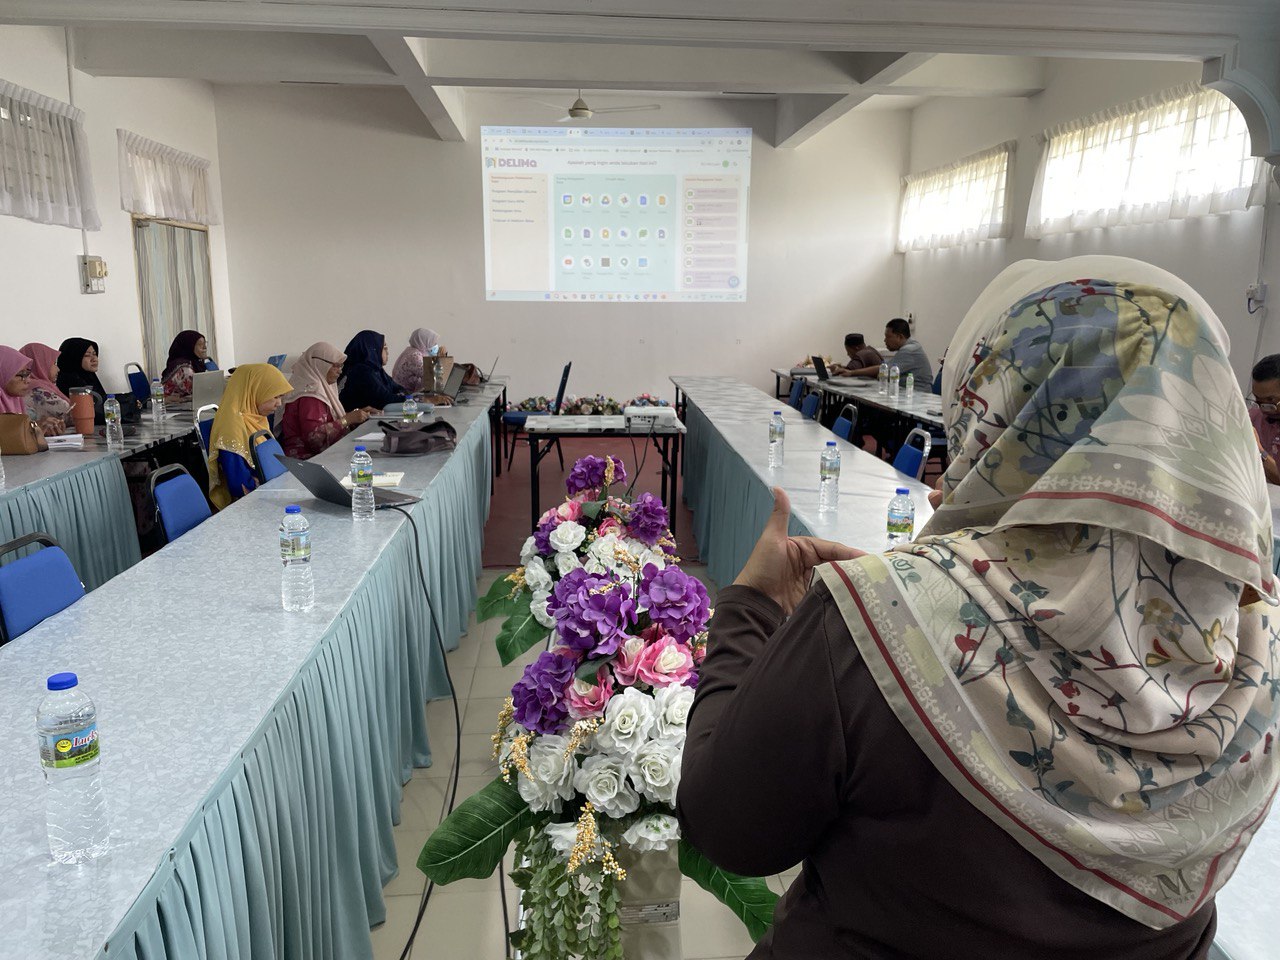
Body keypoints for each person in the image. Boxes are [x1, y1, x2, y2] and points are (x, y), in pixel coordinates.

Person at [678, 257, 1279, 959]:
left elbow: (728, 827)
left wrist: (748, 607)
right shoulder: (1258, 640)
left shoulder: (880, 615)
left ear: (1000, 404)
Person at [207, 363, 292, 509]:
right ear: (254, 391)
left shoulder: (257, 417)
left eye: (281, 397)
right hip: (252, 504)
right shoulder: (232, 429)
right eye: (275, 397)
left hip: (272, 489)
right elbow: (239, 485)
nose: (279, 403)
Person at [279, 342, 375, 460]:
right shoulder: (310, 394)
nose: (340, 371)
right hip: (307, 460)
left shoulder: (321, 388)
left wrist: (357, 416)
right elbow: (314, 439)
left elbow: (328, 420)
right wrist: (347, 419)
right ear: (320, 364)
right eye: (336, 366)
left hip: (320, 456)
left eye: (341, 366)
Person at [338, 330, 407, 412]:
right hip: (355, 419)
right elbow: (385, 400)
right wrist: (410, 399)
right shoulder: (361, 371)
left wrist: (405, 396)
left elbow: (397, 388)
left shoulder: (377, 370)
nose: (387, 352)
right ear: (372, 349)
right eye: (384, 348)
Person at [0, 347, 53, 447]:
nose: (28, 380)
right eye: (21, 375)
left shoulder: (16, 400)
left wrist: (40, 429)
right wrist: (30, 431)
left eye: (28, 374)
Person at [19, 342, 72, 435]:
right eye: (54, 363)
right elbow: (70, 414)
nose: (58, 369)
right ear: (40, 364)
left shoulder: (45, 385)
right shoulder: (36, 389)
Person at [55, 337, 108, 424]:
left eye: (94, 354)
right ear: (74, 358)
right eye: (87, 355)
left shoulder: (88, 376)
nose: (94, 359)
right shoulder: (70, 380)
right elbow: (93, 413)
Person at [1248, 354, 1280, 485]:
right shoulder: (1253, 417)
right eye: (1257, 399)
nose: (1263, 408)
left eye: (1270, 400)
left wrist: (1259, 451)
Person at [391, 327, 445, 396]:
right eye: (433, 343)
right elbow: (431, 376)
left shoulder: (411, 351)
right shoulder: (414, 356)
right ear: (424, 342)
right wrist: (440, 359)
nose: (436, 345)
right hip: (404, 396)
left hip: (404, 392)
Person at [161, 330, 211, 400]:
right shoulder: (185, 369)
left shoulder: (195, 363)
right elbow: (202, 392)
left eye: (205, 344)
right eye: (200, 345)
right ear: (189, 347)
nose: (205, 347)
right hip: (176, 405)